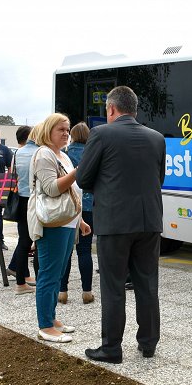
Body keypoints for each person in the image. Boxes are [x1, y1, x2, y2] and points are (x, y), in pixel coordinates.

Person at [77, 86, 165, 364]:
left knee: (113, 286)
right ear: (134, 109)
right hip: (149, 221)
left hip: (114, 222)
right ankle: (148, 343)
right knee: (148, 283)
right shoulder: (157, 138)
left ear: (111, 109)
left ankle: (112, 348)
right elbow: (158, 177)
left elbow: (84, 179)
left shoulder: (101, 134)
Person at [28, 113, 91, 343]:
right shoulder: (44, 154)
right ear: (48, 131)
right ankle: (45, 325)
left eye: (67, 129)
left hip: (67, 221)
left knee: (57, 274)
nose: (65, 133)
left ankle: (51, 317)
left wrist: (80, 220)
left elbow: (72, 192)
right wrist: (78, 170)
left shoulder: (62, 155)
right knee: (49, 274)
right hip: (53, 223)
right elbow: (52, 189)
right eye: (60, 130)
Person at [58, 122, 96, 304]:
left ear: (72, 135)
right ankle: (87, 292)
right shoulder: (92, 155)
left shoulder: (63, 155)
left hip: (69, 207)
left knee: (66, 251)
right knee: (85, 250)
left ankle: (62, 292)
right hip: (88, 207)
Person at [7, 125, 37, 294]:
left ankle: (20, 281)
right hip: (36, 200)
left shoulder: (17, 153)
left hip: (20, 200)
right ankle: (28, 280)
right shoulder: (41, 152)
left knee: (23, 241)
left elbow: (13, 175)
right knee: (37, 241)